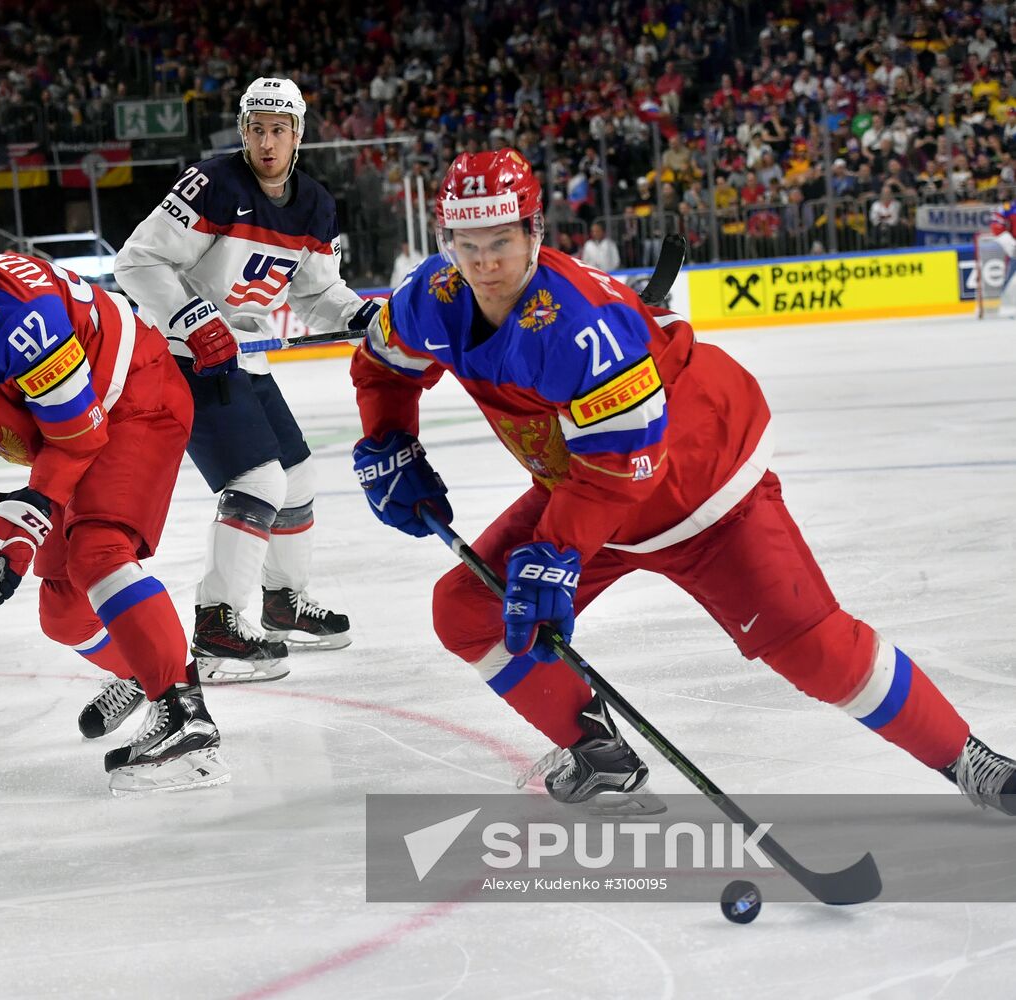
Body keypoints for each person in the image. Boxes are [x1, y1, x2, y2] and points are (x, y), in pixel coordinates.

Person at [349, 149, 1016, 815]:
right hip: (586, 492)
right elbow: (382, 363)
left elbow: (625, 464)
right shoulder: (433, 298)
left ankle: (965, 758)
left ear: (533, 233)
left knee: (814, 651)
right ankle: (597, 752)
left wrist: (556, 551)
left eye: (501, 241)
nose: (485, 264)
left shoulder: (580, 324)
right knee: (468, 610)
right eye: (467, 246)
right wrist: (389, 439)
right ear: (445, 244)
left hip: (700, 490)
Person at [0, 185, 226, 793]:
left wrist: (21, 520)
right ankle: (148, 668)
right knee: (64, 615)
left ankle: (182, 713)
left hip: (134, 404)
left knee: (98, 549)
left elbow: (80, 436)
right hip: (68, 430)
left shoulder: (22, 311)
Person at [115, 77, 381, 683]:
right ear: (243, 132)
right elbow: (137, 261)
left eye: (279, 130)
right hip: (188, 360)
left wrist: (358, 314)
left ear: (298, 135)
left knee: (297, 476)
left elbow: (316, 292)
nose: (267, 142)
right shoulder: (212, 183)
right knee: (257, 480)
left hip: (245, 358)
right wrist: (193, 317)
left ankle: (281, 602)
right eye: (256, 130)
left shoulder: (314, 203)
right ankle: (217, 625)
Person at [987, 201, 1016, 317]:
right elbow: (996, 226)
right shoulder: (1008, 208)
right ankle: (1007, 306)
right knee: (1010, 281)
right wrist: (1011, 244)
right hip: (1015, 252)